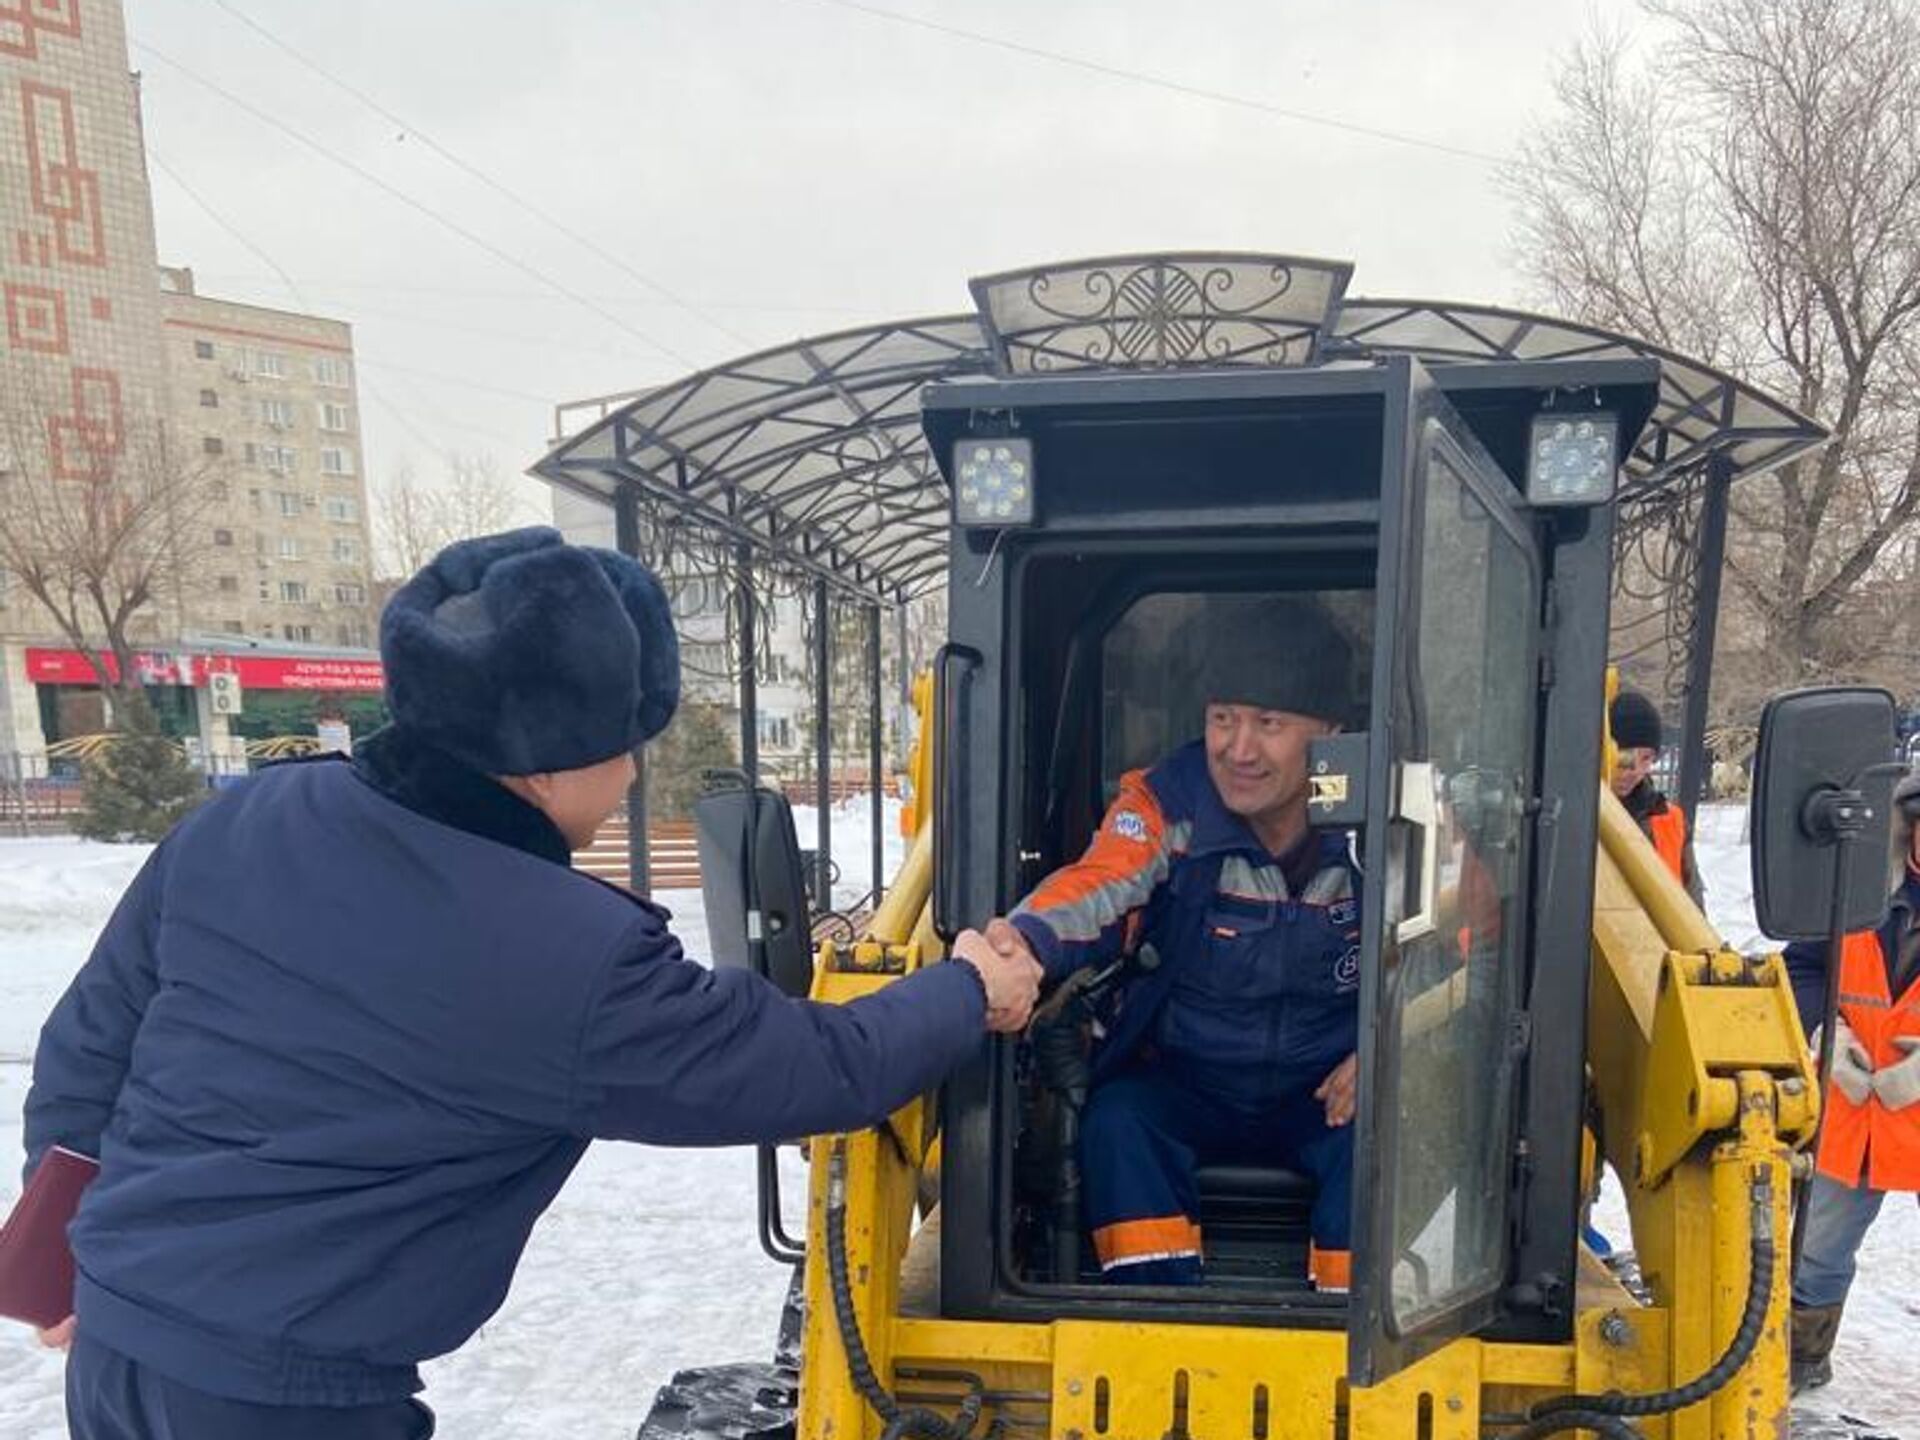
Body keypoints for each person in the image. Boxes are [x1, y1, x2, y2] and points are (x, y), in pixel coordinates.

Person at [20, 527, 1040, 1438]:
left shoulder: (242, 820)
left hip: (116, 1350)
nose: (635, 775)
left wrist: (55, 1257)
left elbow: (89, 1046)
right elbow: (810, 1069)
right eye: (628, 746)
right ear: (547, 765)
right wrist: (965, 986)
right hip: (285, 1399)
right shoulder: (568, 954)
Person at [982, 595, 1361, 1291]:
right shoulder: (1166, 806)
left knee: (1387, 1144)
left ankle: (1354, 1341)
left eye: (1269, 724)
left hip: (1327, 1093)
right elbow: (1099, 883)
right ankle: (1154, 1317)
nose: (1238, 749)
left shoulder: (1390, 818)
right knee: (1118, 1122)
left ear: (1330, 731)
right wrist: (1024, 943)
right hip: (1190, 1081)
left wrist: (1394, 1051)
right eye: (1224, 719)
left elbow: (1467, 947)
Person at [1783, 768, 1920, 1394]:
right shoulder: (1855, 891)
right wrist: (1825, 1034)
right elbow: (1805, 966)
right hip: (1854, 1108)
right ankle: (1801, 1357)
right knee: (1816, 1251)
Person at [1609, 690, 1703, 905]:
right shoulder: (1576, 816)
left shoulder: (1671, 821)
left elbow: (1693, 908)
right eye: (1625, 755)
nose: (1635, 769)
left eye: (1647, 758)